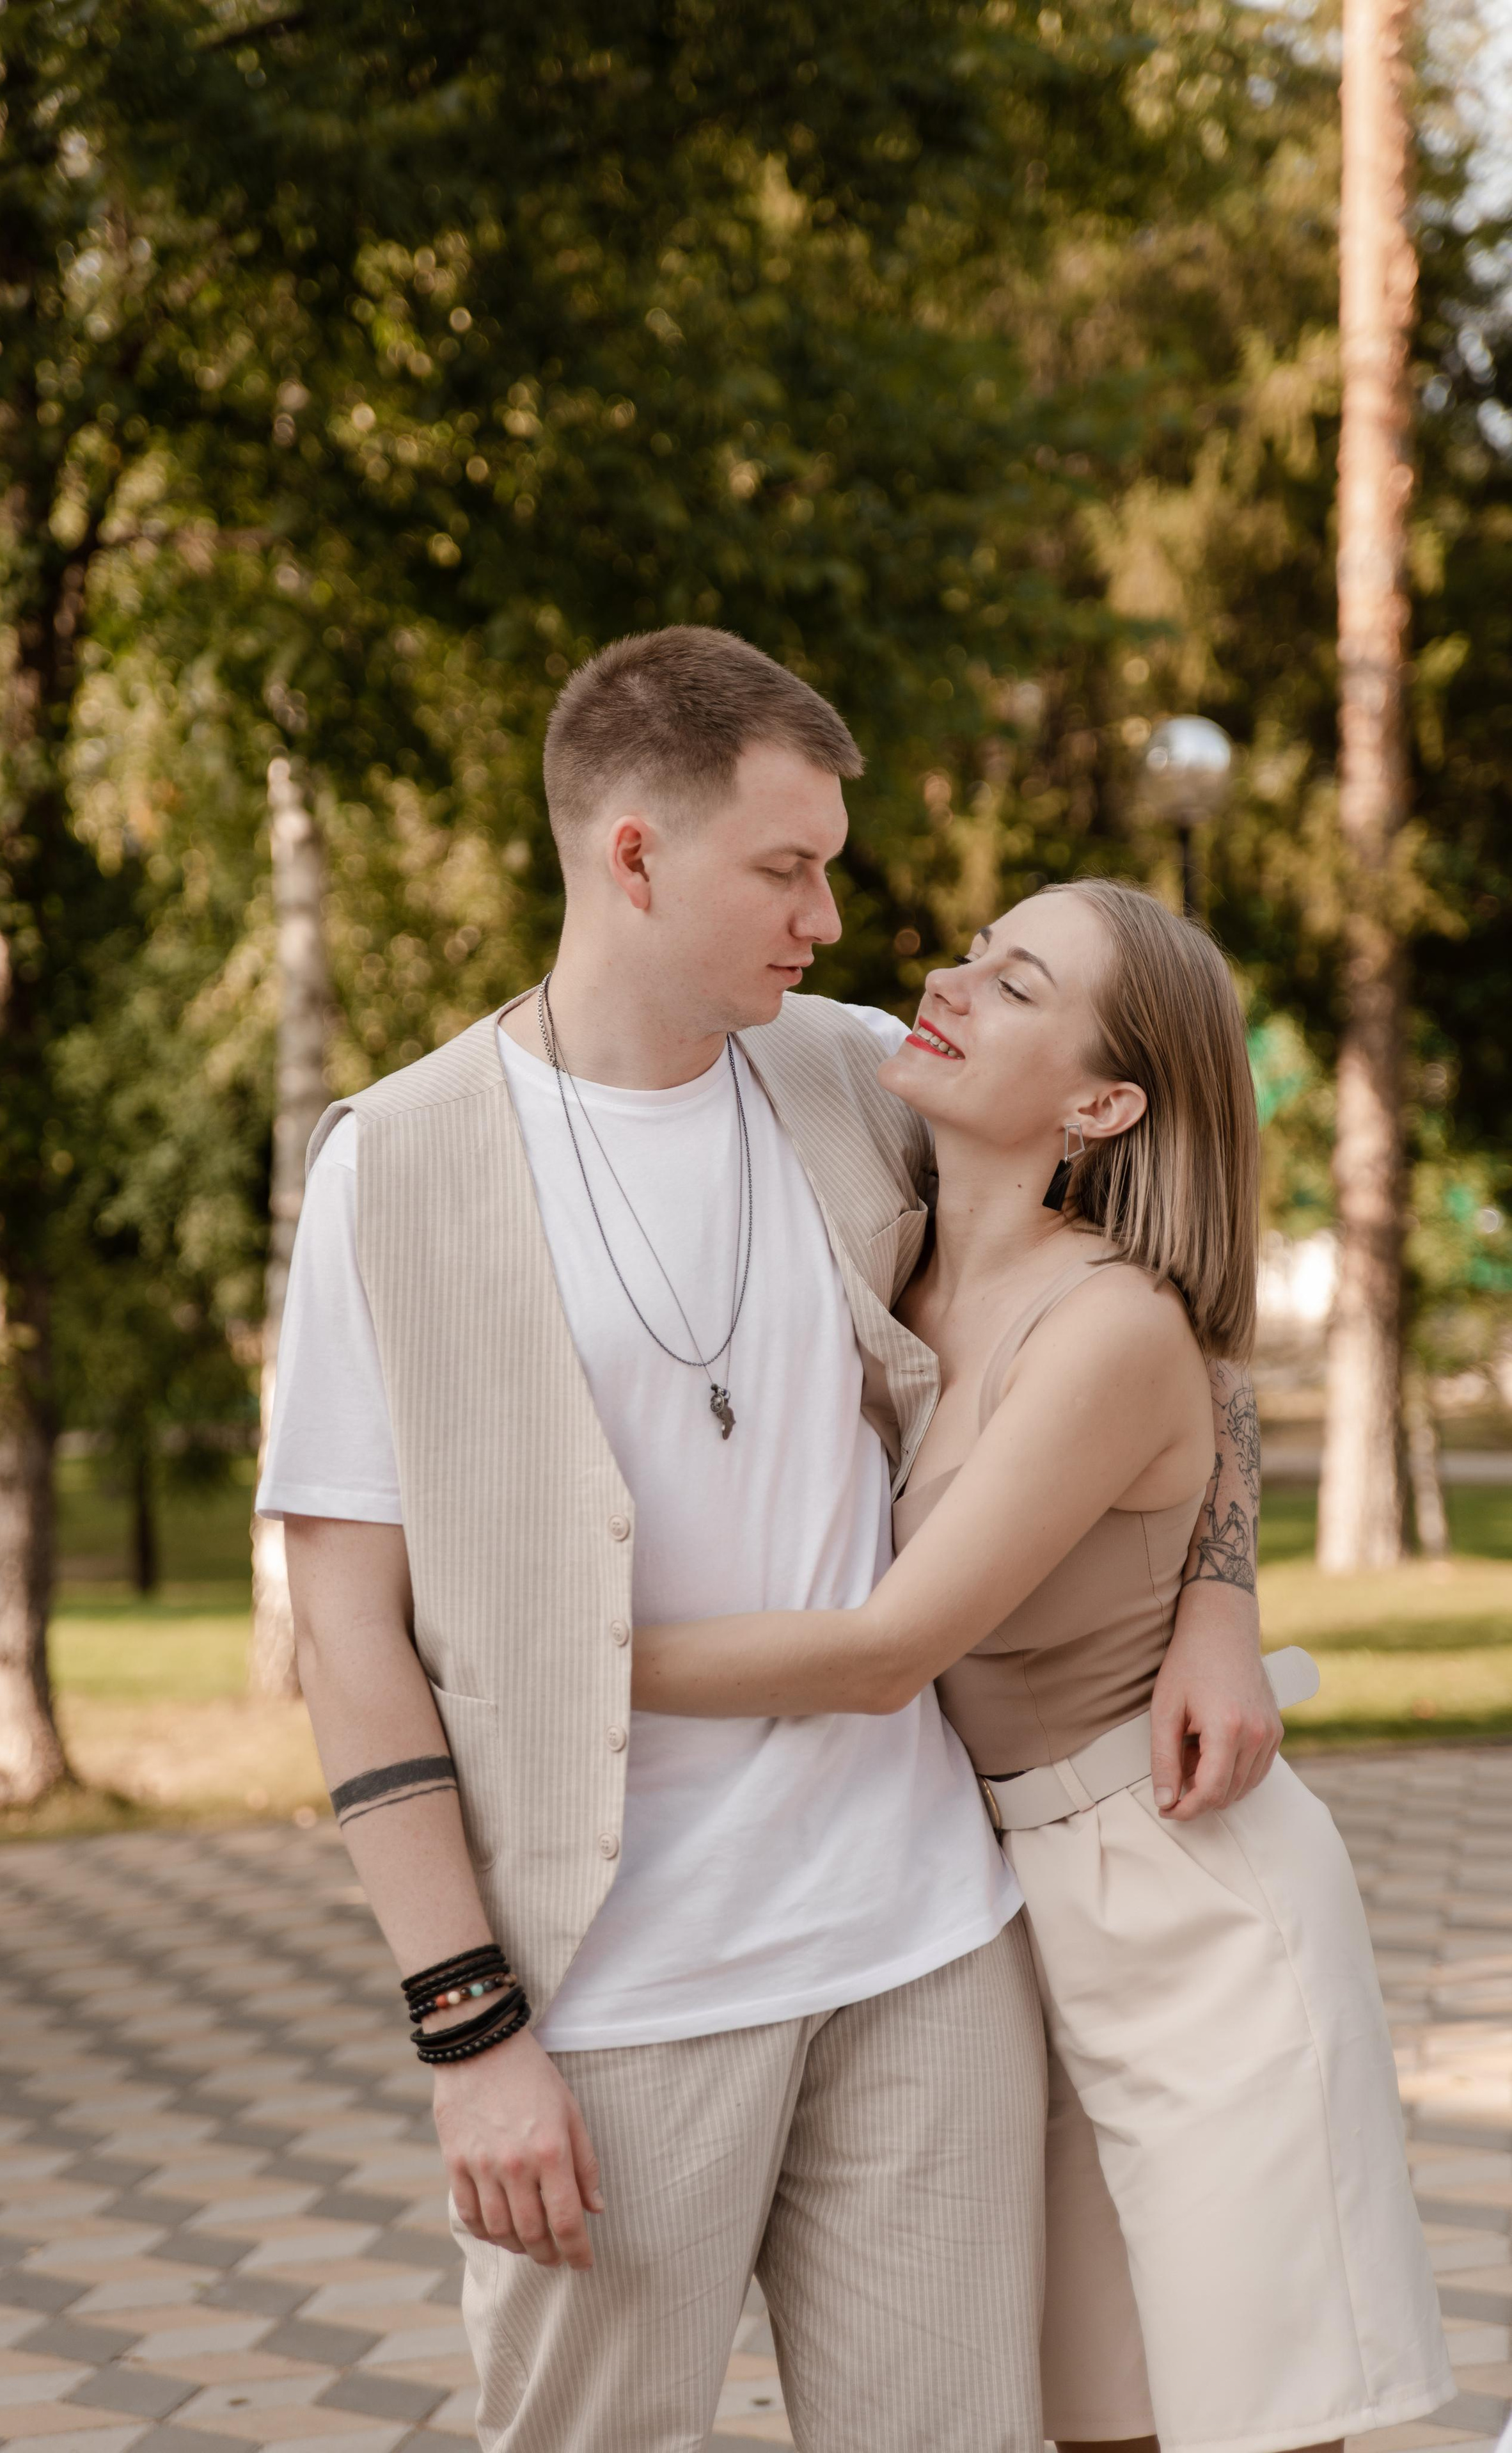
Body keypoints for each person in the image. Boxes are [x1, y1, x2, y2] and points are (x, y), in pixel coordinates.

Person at [256, 627, 1280, 2453]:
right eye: (787, 869)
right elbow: (347, 1627)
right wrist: (468, 2031)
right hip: (614, 1992)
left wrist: (1219, 1592)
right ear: (635, 854)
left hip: (926, 1952)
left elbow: (1173, 1290)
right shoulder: (392, 1167)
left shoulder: (858, 1072)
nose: (828, 917)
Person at [631, 875, 1454, 2453]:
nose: (945, 980)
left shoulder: (1104, 1324)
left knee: (1251, 2427)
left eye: (1015, 984)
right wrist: (1222, 1590)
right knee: (1093, 2421)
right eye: (971, 951)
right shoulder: (893, 1229)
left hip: (1186, 1894)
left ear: (1101, 1100)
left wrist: (540, 1660)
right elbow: (1223, 1380)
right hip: (993, 1906)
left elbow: (884, 1651)